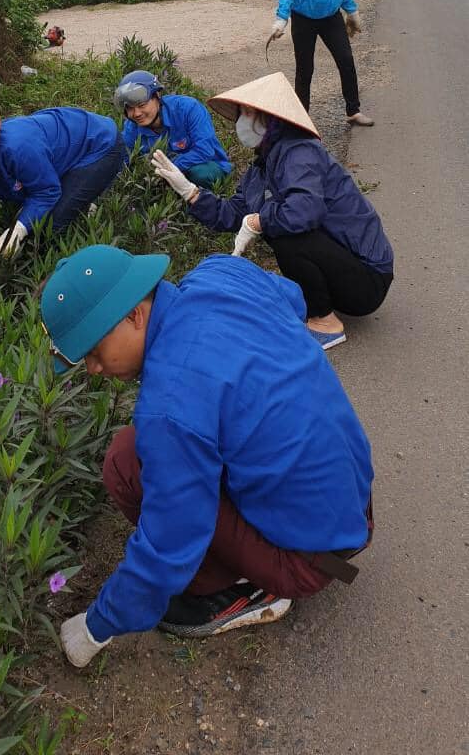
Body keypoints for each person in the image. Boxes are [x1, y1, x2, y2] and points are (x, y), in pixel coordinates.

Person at [40, 244, 375, 667]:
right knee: (188, 442)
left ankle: (242, 587)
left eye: (93, 351)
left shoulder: (171, 404)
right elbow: (292, 299)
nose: (93, 369)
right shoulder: (222, 275)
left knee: (126, 462)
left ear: (134, 315)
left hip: (308, 560)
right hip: (356, 500)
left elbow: (168, 543)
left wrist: (95, 627)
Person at [152, 73, 393, 351]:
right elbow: (233, 213)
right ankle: (319, 305)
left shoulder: (299, 151)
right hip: (345, 270)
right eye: (242, 113)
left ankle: (325, 322)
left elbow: (305, 210)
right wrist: (191, 193)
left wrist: (259, 220)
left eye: (249, 112)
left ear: (271, 118)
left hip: (368, 279)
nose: (243, 120)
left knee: (285, 233)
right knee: (276, 224)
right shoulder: (262, 166)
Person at [0, 108, 127, 254]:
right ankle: (76, 197)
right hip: (54, 156)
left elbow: (46, 192)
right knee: (38, 211)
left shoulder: (15, 147)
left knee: (49, 226)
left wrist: (19, 230)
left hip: (98, 144)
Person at [114, 69, 231, 188]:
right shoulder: (131, 128)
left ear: (157, 96)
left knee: (200, 174)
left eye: (142, 105)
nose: (137, 113)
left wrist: (168, 170)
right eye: (130, 108)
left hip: (205, 166)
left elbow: (205, 150)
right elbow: (123, 160)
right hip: (164, 177)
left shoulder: (188, 108)